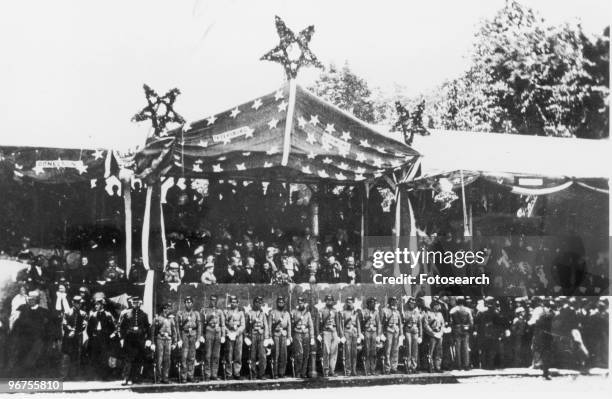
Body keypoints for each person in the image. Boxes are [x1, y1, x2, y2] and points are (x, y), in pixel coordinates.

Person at [8, 291, 54, 376]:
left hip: (38, 340)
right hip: (24, 340)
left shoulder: (43, 312)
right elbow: (17, 324)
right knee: (23, 359)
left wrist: (46, 339)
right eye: (29, 299)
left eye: (32, 299)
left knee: (34, 359)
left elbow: (48, 328)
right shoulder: (23, 309)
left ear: (36, 300)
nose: (30, 301)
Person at [118, 296, 151, 385]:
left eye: (137, 302)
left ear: (140, 303)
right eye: (134, 302)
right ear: (131, 303)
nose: (136, 304)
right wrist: (121, 338)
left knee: (138, 359)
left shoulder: (144, 315)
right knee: (128, 359)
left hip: (140, 340)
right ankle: (126, 378)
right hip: (129, 340)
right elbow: (121, 327)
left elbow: (148, 328)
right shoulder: (126, 314)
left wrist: (148, 339)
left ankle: (135, 378)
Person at [87, 298, 116, 380]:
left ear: (102, 305)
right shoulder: (93, 315)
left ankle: (104, 376)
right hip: (95, 339)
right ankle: (96, 375)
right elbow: (89, 328)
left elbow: (114, 327)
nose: (96, 306)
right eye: (95, 304)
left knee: (105, 357)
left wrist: (110, 336)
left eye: (98, 304)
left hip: (105, 339)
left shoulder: (108, 315)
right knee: (95, 357)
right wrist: (92, 336)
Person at [61, 295, 88, 379]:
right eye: (78, 303)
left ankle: (74, 376)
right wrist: (70, 330)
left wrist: (74, 331)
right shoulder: (67, 312)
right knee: (66, 356)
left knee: (76, 356)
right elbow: (64, 323)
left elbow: (84, 325)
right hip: (68, 338)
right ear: (73, 303)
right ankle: (63, 376)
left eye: (80, 303)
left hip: (77, 338)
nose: (79, 305)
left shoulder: (83, 314)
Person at [176, 296, 201, 382]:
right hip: (184, 335)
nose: (188, 304)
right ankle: (184, 377)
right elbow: (178, 327)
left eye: (190, 302)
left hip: (193, 335)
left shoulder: (196, 314)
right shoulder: (180, 314)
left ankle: (190, 376)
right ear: (184, 303)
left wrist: (198, 340)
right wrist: (179, 339)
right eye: (186, 302)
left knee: (192, 357)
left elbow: (199, 327)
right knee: (184, 356)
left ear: (192, 303)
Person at [151, 303, 178, 384]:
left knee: (167, 359)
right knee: (159, 359)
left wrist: (175, 342)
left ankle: (165, 377)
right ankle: (158, 378)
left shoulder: (171, 319)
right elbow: (153, 331)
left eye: (167, 309)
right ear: (162, 310)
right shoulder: (157, 318)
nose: (166, 311)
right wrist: (152, 343)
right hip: (160, 339)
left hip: (168, 340)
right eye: (164, 309)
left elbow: (174, 331)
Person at [202, 294, 225, 380]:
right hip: (209, 331)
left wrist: (223, 335)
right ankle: (207, 374)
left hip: (217, 332)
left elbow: (223, 324)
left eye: (215, 300)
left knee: (216, 355)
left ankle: (214, 374)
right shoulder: (205, 310)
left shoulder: (220, 311)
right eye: (212, 300)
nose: (213, 302)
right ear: (210, 300)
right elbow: (202, 323)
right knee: (208, 354)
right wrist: (202, 335)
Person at [246, 296, 269, 379]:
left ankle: (261, 374)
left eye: (260, 303)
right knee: (252, 355)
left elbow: (266, 326)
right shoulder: (249, 313)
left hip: (261, 336)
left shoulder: (263, 314)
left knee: (262, 356)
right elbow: (247, 326)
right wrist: (246, 337)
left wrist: (266, 338)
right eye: (256, 302)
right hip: (253, 335)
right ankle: (253, 374)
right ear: (253, 303)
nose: (258, 304)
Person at [291, 295, 315, 378]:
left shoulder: (308, 313)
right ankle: (298, 372)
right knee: (299, 354)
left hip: (306, 334)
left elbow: (311, 325)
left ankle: (303, 373)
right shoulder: (294, 312)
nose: (300, 304)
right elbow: (291, 324)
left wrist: (312, 337)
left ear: (304, 304)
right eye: (299, 303)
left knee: (306, 354)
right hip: (297, 333)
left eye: (302, 303)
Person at [318, 294, 342, 377]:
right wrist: (319, 333)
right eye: (328, 300)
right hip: (326, 332)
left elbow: (338, 324)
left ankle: (332, 370)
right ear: (325, 301)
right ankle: (326, 371)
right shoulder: (321, 311)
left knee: (334, 352)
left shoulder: (335, 311)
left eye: (331, 300)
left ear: (333, 301)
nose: (329, 302)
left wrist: (339, 335)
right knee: (326, 352)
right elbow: (319, 323)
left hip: (334, 332)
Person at [269, 296, 291, 378]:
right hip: (276, 335)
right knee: (276, 355)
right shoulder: (272, 313)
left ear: (284, 304)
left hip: (284, 335)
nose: (280, 304)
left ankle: (282, 372)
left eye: (282, 302)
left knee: (283, 355)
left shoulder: (287, 313)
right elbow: (270, 326)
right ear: (277, 303)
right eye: (279, 302)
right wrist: (270, 337)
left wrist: (289, 337)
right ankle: (275, 373)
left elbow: (289, 326)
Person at [224, 295, 245, 379]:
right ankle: (229, 373)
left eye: (235, 302)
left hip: (238, 335)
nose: (233, 304)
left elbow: (243, 325)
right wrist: (228, 332)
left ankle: (237, 372)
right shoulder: (227, 312)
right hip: (229, 335)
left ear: (238, 303)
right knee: (229, 355)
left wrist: (236, 333)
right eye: (232, 302)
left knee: (238, 355)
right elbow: (223, 324)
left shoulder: (241, 313)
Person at [449, 297, 473, 370]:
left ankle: (458, 365)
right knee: (465, 347)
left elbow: (451, 322)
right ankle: (466, 364)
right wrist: (469, 328)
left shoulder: (452, 310)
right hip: (465, 329)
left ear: (457, 301)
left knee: (457, 348)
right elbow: (471, 322)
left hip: (456, 329)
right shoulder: (468, 310)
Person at [340, 296, 361, 376]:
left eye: (351, 302)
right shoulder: (344, 312)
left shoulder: (356, 313)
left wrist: (359, 335)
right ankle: (348, 370)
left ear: (353, 303)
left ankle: (354, 370)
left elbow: (358, 324)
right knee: (348, 352)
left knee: (354, 353)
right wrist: (342, 335)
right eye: (348, 302)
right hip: (347, 332)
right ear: (346, 303)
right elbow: (342, 325)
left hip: (354, 333)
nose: (349, 303)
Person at [381, 296, 403, 374]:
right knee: (388, 350)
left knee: (395, 350)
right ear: (390, 302)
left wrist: (401, 334)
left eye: (395, 301)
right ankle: (387, 368)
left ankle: (394, 367)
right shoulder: (385, 310)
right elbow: (381, 323)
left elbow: (400, 324)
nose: (394, 303)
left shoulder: (397, 312)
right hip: (388, 331)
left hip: (396, 331)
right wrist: (381, 334)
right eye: (393, 301)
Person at [424, 300, 445, 373]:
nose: (438, 306)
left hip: (439, 334)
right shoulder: (428, 313)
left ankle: (438, 366)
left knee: (439, 351)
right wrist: (432, 333)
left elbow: (443, 324)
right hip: (432, 335)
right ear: (433, 306)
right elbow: (426, 325)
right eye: (436, 305)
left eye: (438, 305)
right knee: (431, 351)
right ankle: (431, 367)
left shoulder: (440, 314)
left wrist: (441, 333)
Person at [361, 297, 381, 375]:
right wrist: (367, 318)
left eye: (374, 303)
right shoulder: (364, 311)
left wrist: (379, 335)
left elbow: (379, 323)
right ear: (368, 303)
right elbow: (362, 323)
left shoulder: (376, 312)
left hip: (374, 332)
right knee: (367, 350)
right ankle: (367, 369)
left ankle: (373, 369)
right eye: (371, 303)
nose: (373, 304)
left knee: (373, 351)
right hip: (367, 331)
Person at [403, 297, 422, 373]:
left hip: (415, 331)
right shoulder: (406, 311)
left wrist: (420, 336)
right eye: (411, 303)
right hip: (408, 331)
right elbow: (404, 322)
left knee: (415, 349)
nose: (412, 304)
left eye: (413, 303)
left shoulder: (417, 312)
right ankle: (408, 366)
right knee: (409, 349)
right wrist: (410, 317)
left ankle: (414, 366)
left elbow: (419, 324)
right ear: (408, 303)